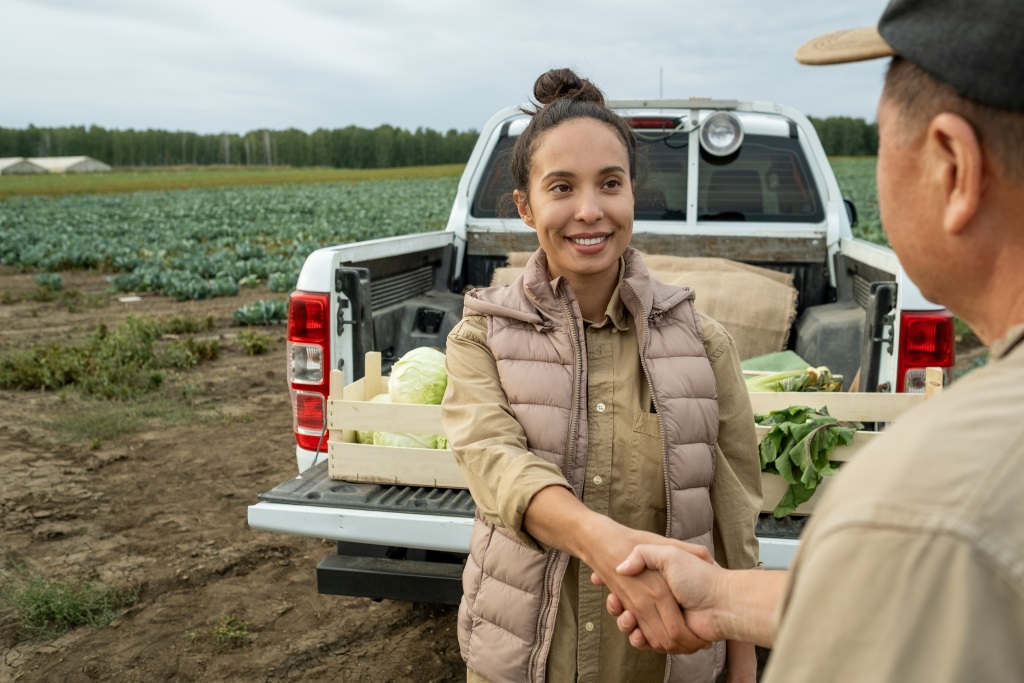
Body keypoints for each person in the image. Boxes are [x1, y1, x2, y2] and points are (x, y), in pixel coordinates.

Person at [602, 0, 1024, 681]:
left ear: (954, 167)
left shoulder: (927, 500)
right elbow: (899, 602)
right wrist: (726, 596)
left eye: (886, 138)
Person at [440, 67, 763, 683]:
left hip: (664, 661)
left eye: (609, 184)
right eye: (561, 187)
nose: (589, 211)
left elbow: (734, 520)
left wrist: (742, 666)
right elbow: (497, 464)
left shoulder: (702, 343)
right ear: (525, 205)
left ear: (631, 194)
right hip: (529, 662)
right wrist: (604, 544)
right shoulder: (480, 337)